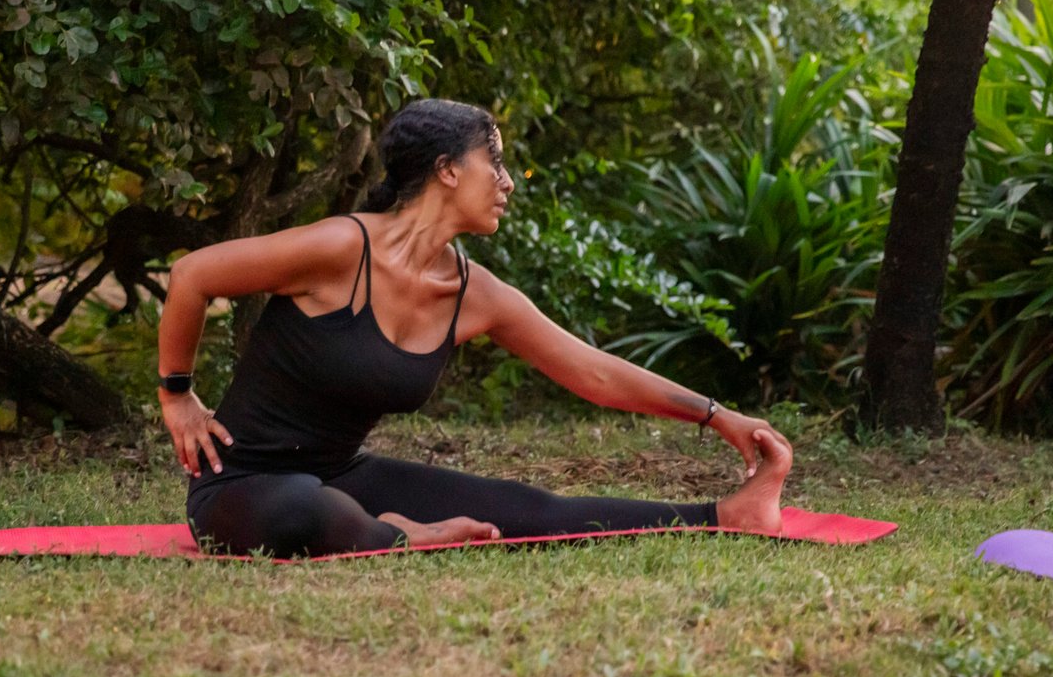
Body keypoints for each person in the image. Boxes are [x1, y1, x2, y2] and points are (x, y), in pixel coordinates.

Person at [157, 98, 793, 558]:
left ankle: (725, 514)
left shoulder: (473, 293)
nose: (508, 182)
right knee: (304, 510)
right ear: (448, 170)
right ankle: (402, 536)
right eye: (496, 163)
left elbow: (593, 373)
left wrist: (718, 416)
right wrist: (177, 394)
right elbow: (192, 276)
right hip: (240, 486)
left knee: (528, 510)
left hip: (344, 474)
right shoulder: (341, 249)